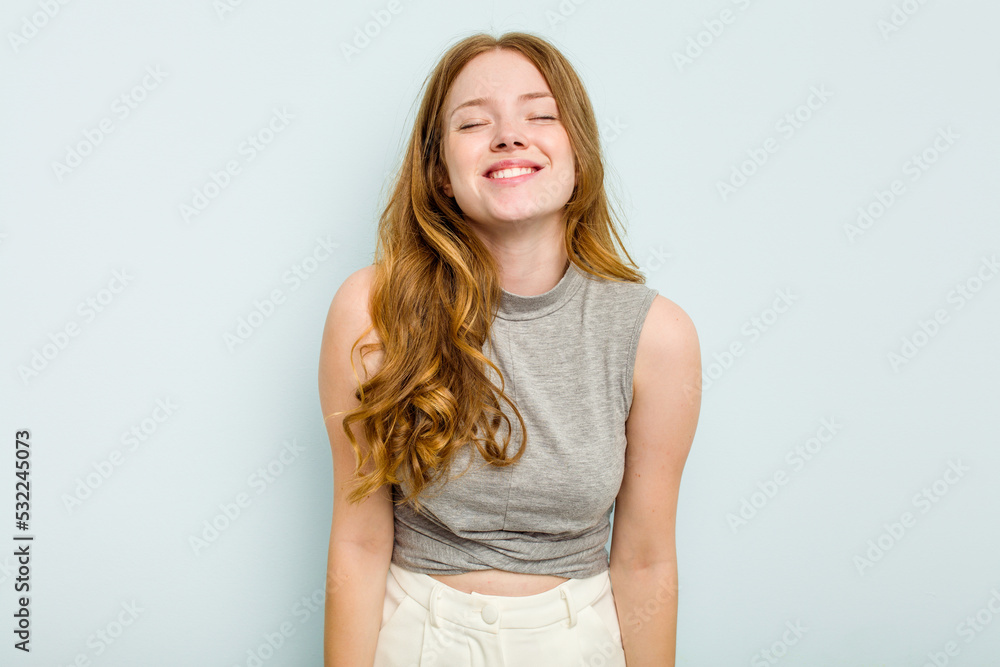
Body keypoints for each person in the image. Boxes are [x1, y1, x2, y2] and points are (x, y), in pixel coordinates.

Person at [319, 30, 701, 667]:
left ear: (577, 151)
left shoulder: (656, 335)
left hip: (579, 642)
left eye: (540, 114)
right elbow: (357, 543)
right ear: (440, 173)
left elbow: (646, 557)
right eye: (473, 123)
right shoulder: (371, 311)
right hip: (413, 636)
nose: (508, 135)